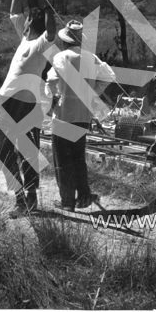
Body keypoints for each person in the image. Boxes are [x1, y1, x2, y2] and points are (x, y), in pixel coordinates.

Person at [0, 0, 56, 214]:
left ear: (35, 22)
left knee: (27, 151)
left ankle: (28, 198)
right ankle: (22, 196)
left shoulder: (42, 42)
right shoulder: (24, 38)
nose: (25, 20)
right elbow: (13, 11)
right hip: (7, 101)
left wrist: (46, 5)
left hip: (26, 104)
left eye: (30, 17)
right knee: (4, 152)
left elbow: (52, 31)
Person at [46, 20, 115, 212]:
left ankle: (67, 201)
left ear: (64, 41)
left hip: (64, 113)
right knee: (77, 157)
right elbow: (109, 76)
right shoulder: (91, 58)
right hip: (83, 114)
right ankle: (83, 196)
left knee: (62, 159)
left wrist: (52, 99)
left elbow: (51, 81)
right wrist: (93, 93)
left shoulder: (61, 57)